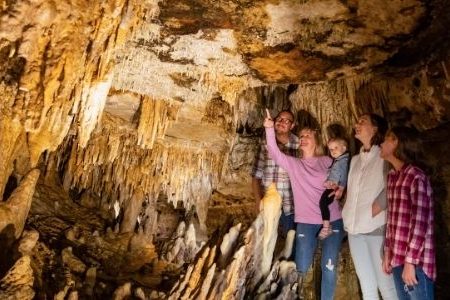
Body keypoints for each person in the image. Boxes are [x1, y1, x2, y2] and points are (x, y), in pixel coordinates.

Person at [263, 109, 344, 300]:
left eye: (308, 135)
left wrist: (341, 189)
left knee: (329, 267)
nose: (303, 138)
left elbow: (343, 175)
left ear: (316, 139)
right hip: (306, 222)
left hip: (333, 220)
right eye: (301, 136)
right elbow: (274, 152)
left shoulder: (328, 161)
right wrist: (268, 129)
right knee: (300, 267)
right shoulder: (295, 164)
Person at [342, 113, 397, 300]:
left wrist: (375, 208)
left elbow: (393, 185)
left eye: (362, 122)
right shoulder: (355, 159)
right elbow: (352, 190)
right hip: (354, 230)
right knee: (367, 286)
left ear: (375, 129)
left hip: (376, 228)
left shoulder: (383, 157)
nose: (357, 124)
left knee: (387, 286)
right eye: (357, 121)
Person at [380, 126, 435, 300]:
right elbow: (392, 219)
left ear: (397, 143)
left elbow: (420, 223)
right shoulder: (392, 176)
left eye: (387, 139)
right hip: (397, 257)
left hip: (416, 261)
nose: (381, 143)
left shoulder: (416, 177)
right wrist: (388, 252)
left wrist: (410, 262)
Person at [252, 109, 299, 235]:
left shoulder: (299, 144)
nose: (281, 122)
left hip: (290, 204)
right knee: (266, 241)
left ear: (292, 125)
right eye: (279, 118)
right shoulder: (264, 143)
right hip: (268, 202)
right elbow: (256, 175)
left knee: (290, 241)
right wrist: (258, 201)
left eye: (286, 120)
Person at [318, 138, 349, 239]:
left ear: (344, 148)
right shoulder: (339, 160)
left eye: (336, 148)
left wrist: (340, 188)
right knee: (325, 203)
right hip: (333, 186)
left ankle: (327, 227)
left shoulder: (343, 161)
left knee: (323, 203)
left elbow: (344, 176)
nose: (333, 151)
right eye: (331, 149)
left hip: (335, 188)